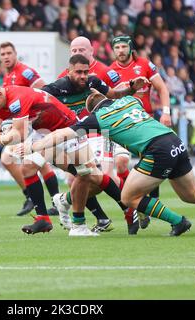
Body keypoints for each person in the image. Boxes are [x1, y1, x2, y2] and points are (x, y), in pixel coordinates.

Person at [27, 92, 195, 236]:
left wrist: (35, 146)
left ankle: (178, 222)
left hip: (156, 149)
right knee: (191, 193)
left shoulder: (97, 118)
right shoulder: (131, 101)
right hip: (174, 141)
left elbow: (64, 135)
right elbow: (122, 94)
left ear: (92, 111)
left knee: (128, 197)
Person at [0, 79, 133, 236]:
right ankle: (44, 219)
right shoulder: (3, 99)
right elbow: (14, 120)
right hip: (46, 134)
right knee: (29, 168)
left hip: (69, 128)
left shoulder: (17, 97)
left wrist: (2, 139)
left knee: (91, 175)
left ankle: (126, 208)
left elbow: (20, 133)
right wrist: (0, 123)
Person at [42, 54, 146, 234]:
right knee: (87, 176)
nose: (83, 76)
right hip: (67, 137)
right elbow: (31, 99)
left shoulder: (93, 82)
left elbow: (113, 94)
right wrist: (3, 121)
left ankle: (70, 206)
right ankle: (120, 211)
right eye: (78, 72)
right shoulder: (56, 88)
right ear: (68, 72)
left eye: (85, 72)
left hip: (95, 132)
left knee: (98, 176)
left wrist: (131, 88)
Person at [110, 35, 172, 227]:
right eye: (117, 47)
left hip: (147, 123)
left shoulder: (144, 64)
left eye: (123, 46)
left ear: (130, 48)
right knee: (121, 164)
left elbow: (162, 88)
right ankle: (136, 203)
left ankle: (149, 204)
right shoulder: (110, 71)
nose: (120, 50)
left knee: (154, 164)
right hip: (122, 126)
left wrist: (166, 113)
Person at [0, 41, 60, 217]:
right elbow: (7, 103)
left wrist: (37, 116)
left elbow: (43, 89)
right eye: (3, 54)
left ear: (15, 54)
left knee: (9, 158)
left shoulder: (25, 72)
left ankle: (34, 197)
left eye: (9, 53)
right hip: (24, 123)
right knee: (39, 163)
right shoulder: (7, 77)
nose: (6, 56)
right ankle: (51, 200)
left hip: (31, 123)